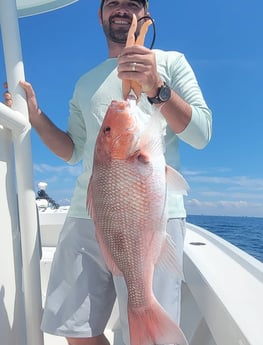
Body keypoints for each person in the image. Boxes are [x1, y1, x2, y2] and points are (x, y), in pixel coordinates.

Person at [4, 0, 212, 344]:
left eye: (131, 3)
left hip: (152, 216)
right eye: (112, 2)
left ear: (144, 13)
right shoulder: (85, 83)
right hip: (86, 213)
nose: (121, 9)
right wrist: (37, 118)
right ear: (100, 14)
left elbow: (201, 134)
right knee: (74, 328)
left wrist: (157, 88)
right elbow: (74, 150)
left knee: (149, 337)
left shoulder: (171, 62)